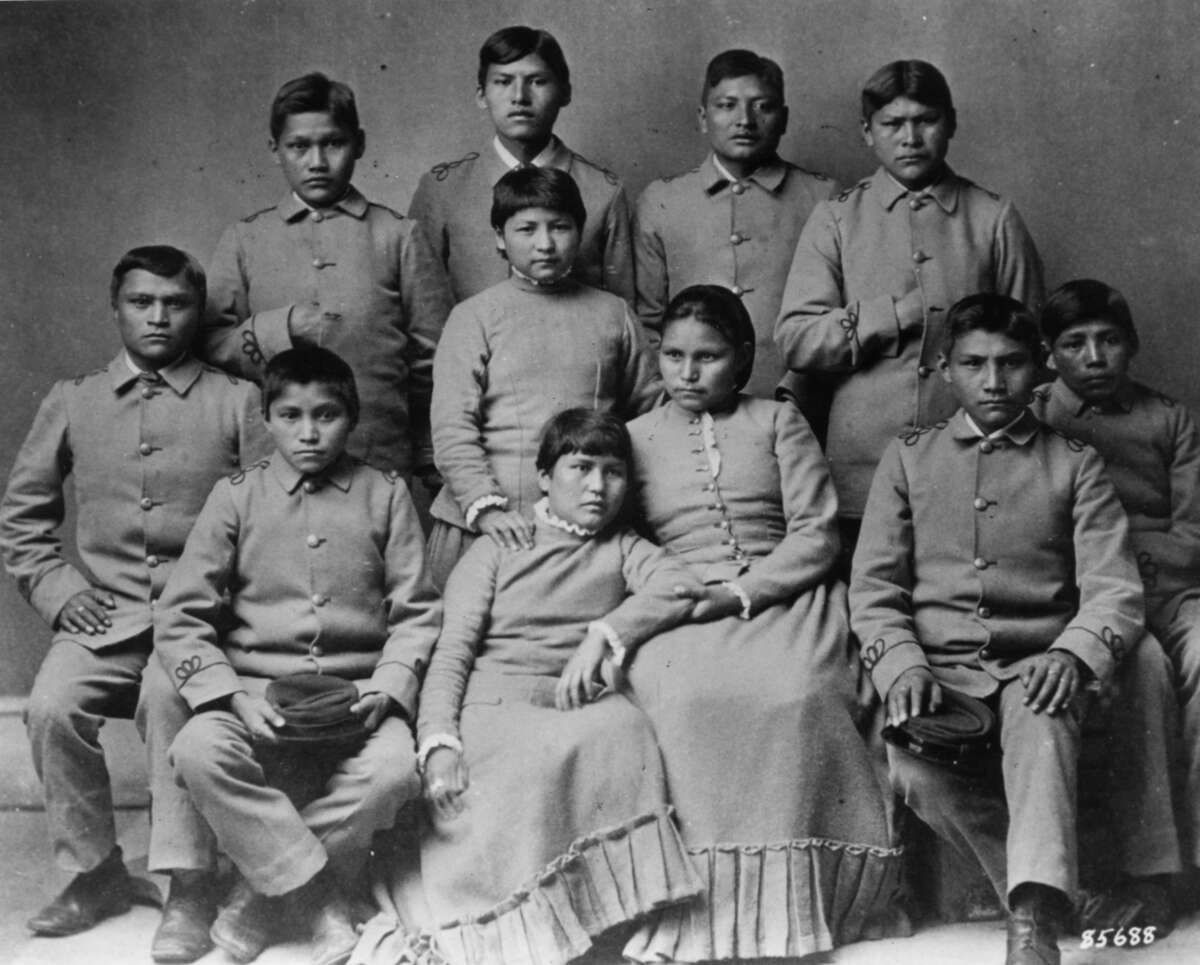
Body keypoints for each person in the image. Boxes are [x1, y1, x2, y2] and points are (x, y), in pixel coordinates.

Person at [850, 293, 1179, 965]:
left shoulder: (1075, 461)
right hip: (943, 669)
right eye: (974, 364)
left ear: (1040, 372)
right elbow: (875, 589)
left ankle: (1030, 934)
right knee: (914, 771)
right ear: (947, 370)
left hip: (1040, 660)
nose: (994, 382)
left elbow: (1114, 587)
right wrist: (903, 665)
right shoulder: (909, 459)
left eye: (1011, 363)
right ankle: (1067, 894)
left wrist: (1074, 653)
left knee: (1042, 712)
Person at [357, 409, 702, 965]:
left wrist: (605, 633)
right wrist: (439, 741)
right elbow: (451, 654)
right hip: (496, 700)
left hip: (575, 697)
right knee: (532, 762)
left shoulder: (622, 547)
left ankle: (596, 925)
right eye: (581, 467)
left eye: (613, 472)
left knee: (624, 730)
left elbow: (680, 583)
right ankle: (507, 937)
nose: (597, 486)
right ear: (544, 476)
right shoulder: (499, 547)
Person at [0, 246, 267, 961]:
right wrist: (63, 591)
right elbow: (21, 520)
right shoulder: (74, 399)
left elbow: (270, 518)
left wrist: (220, 606)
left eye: (174, 303)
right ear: (115, 308)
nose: (157, 316)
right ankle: (96, 874)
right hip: (105, 617)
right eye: (140, 302)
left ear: (196, 310)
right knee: (53, 705)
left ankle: (188, 885)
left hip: (203, 623)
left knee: (167, 698)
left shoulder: (237, 401)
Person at [621, 285, 902, 962]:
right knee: (682, 697)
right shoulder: (632, 437)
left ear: (743, 361)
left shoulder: (778, 422)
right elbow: (624, 543)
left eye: (708, 357)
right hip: (680, 603)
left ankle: (803, 909)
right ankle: (698, 913)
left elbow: (816, 535)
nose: (687, 373)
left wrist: (744, 591)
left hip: (786, 593)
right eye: (673, 356)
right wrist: (673, 592)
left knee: (799, 690)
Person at [153, 347, 441, 965]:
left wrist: (387, 687)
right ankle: (319, 897)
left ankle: (261, 893)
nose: (308, 433)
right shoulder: (236, 498)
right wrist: (231, 697)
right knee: (198, 750)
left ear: (353, 416)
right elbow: (180, 615)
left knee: (394, 773)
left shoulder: (385, 495)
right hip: (259, 693)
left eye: (327, 414)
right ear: (267, 418)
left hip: (357, 693)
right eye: (290, 415)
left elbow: (417, 612)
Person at [775, 60, 1044, 561]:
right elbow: (796, 340)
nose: (911, 137)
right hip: (861, 468)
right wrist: (890, 316)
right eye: (892, 124)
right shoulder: (836, 218)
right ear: (867, 132)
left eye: (926, 120)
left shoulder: (993, 219)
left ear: (951, 124)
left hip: (976, 464)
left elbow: (1033, 355)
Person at [1032, 278, 1195, 923]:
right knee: (1142, 664)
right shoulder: (1036, 412)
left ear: (1131, 345)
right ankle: (1145, 872)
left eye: (1108, 341)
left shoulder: (1169, 419)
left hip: (1170, 592)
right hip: (1081, 598)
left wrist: (1128, 558)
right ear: (1050, 354)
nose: (1094, 357)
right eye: (1075, 344)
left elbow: (1193, 534)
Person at [203, 71, 452, 487]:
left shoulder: (398, 235)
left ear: (359, 144)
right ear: (275, 149)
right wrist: (279, 330)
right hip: (273, 466)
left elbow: (436, 357)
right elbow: (206, 343)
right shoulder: (245, 239)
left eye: (333, 143)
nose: (317, 162)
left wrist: (427, 451)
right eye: (299, 146)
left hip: (378, 459)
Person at [427, 165, 657, 587]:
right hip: (496, 523)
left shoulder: (614, 314)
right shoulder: (474, 317)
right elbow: (452, 425)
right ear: (500, 237)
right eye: (527, 229)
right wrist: (487, 507)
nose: (546, 244)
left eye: (560, 227)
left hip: (589, 525)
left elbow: (651, 415)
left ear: (580, 230)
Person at [634, 48, 839, 404]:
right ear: (702, 117)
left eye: (763, 106)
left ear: (785, 118)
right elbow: (647, 323)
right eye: (726, 105)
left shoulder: (821, 197)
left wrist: (793, 396)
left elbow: (831, 317)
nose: (745, 120)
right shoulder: (662, 201)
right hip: (687, 405)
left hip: (791, 403)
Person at [409, 25, 634, 305]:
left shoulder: (603, 192)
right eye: (503, 82)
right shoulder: (442, 190)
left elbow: (622, 308)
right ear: (481, 95)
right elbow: (423, 307)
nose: (519, 97)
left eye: (537, 81)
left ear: (565, 93)